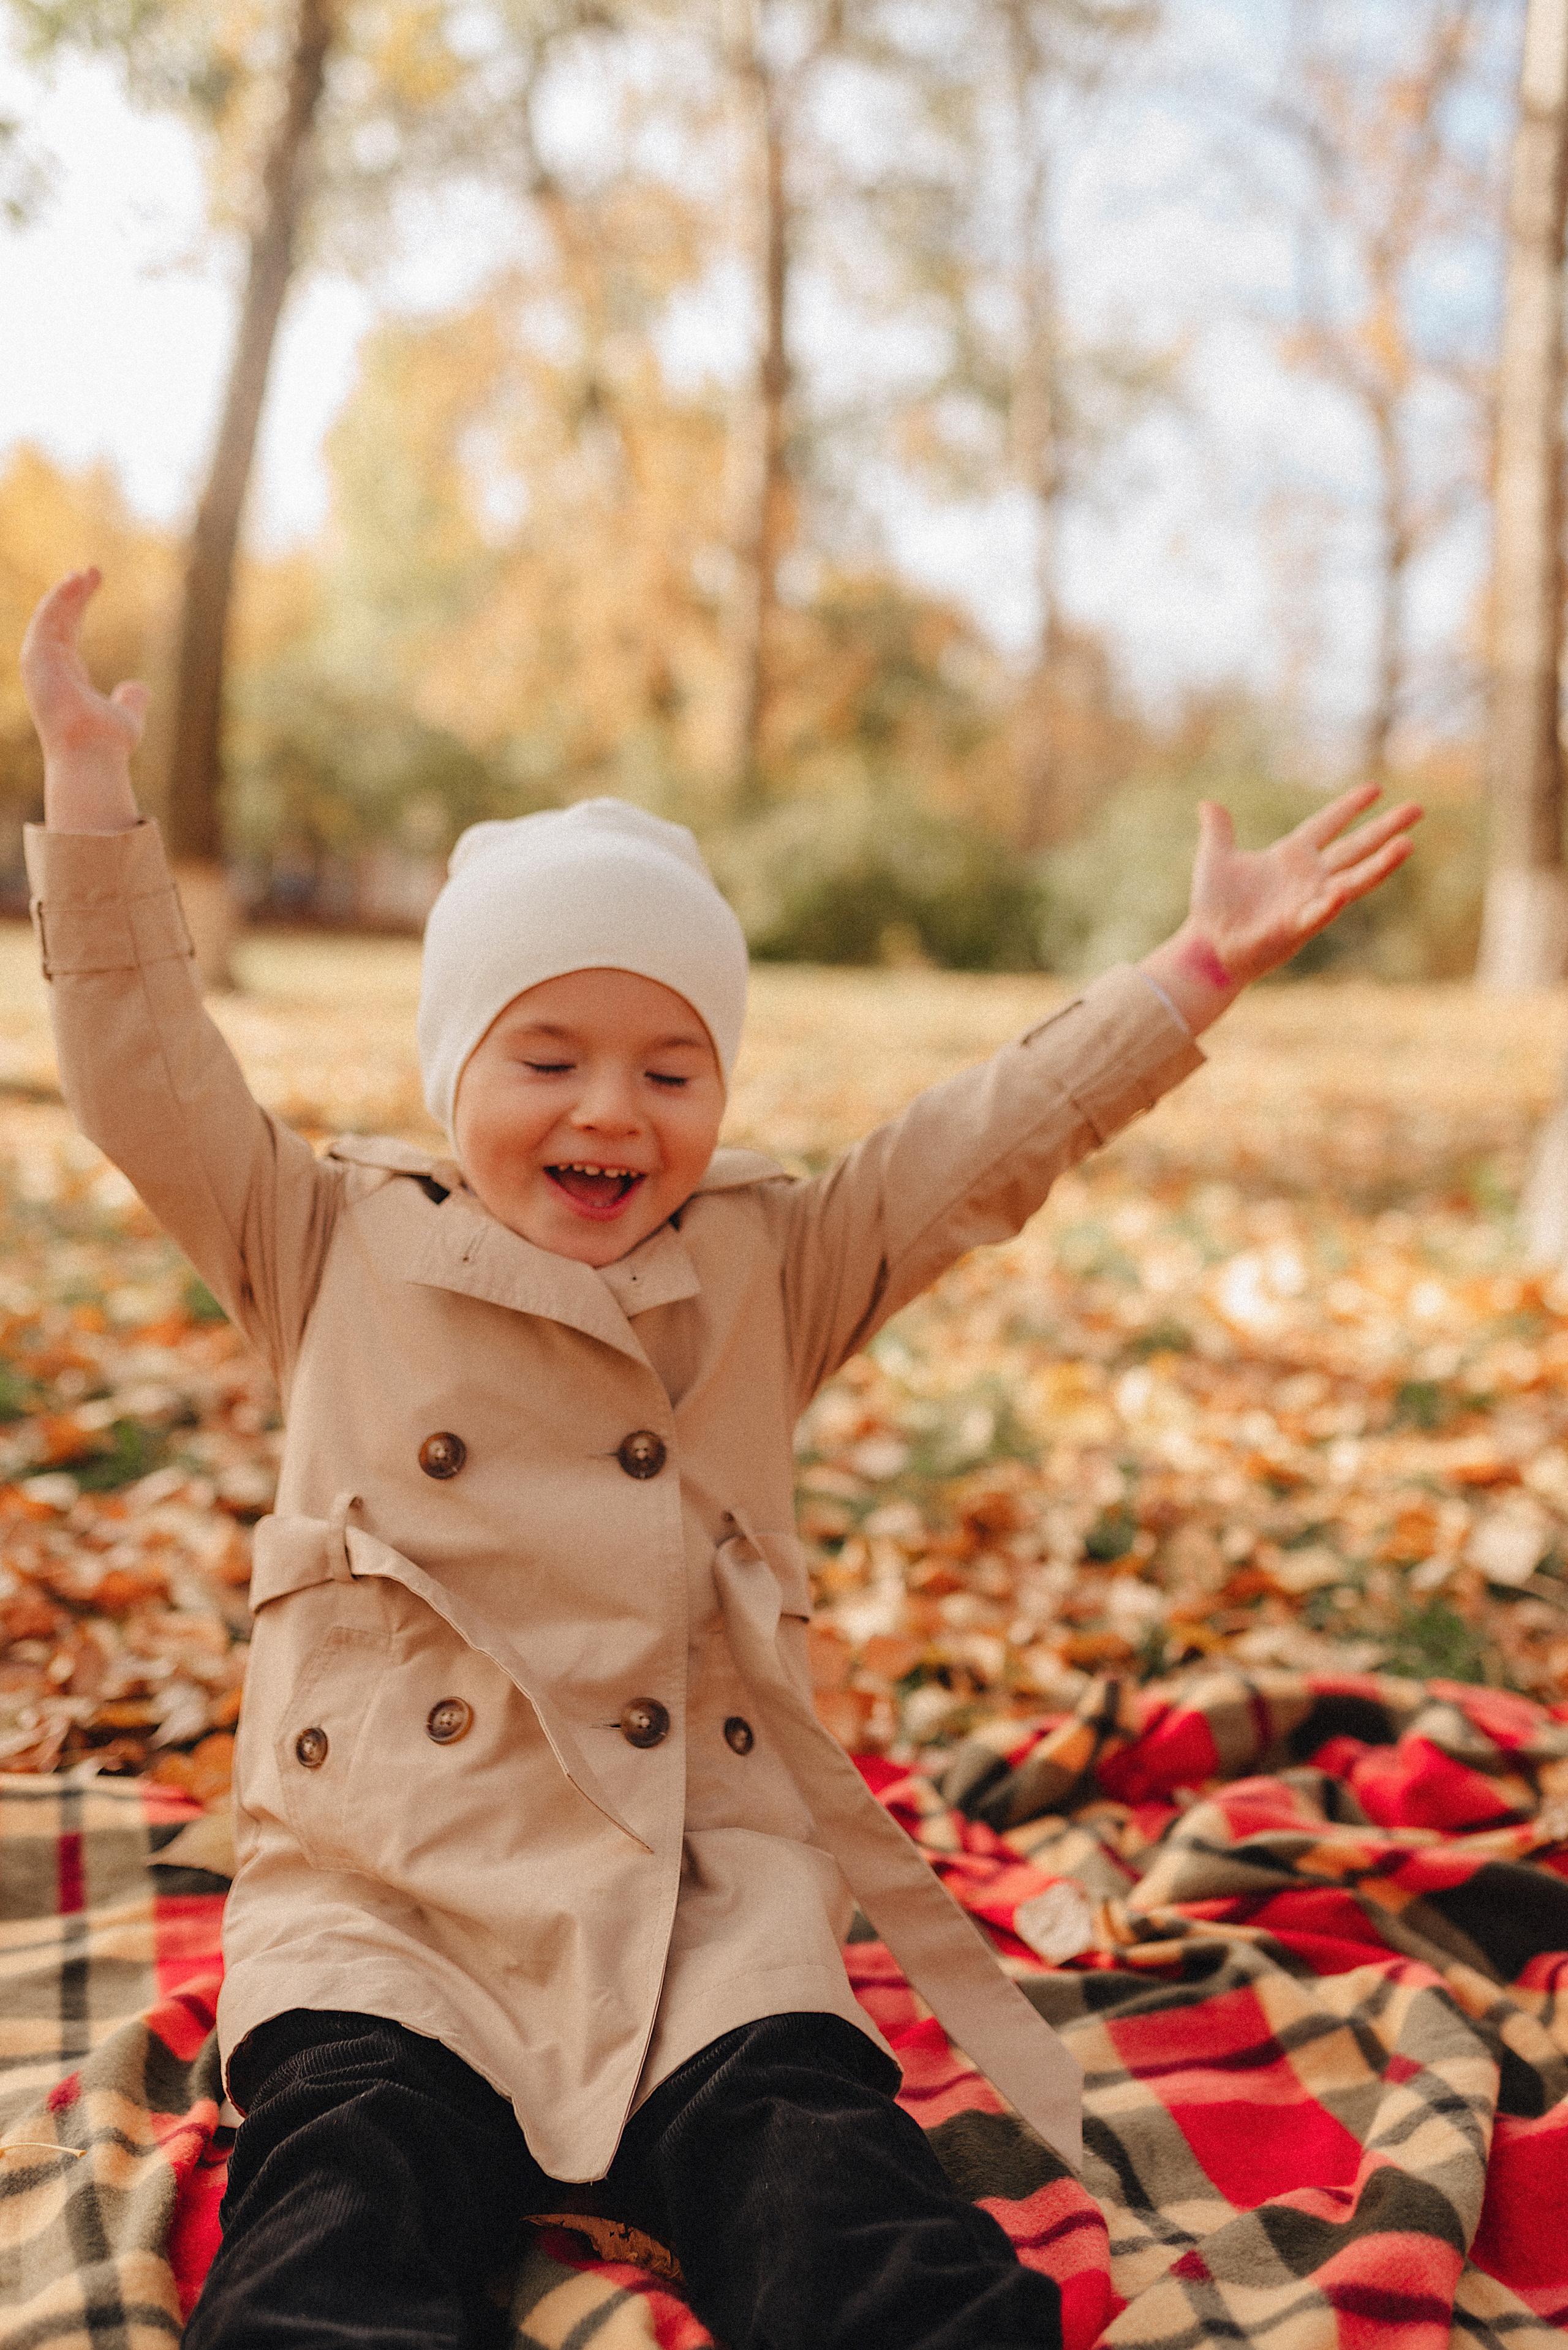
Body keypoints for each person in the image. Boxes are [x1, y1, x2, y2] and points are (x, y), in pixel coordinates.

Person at [19, 568, 1419, 2350]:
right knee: (351, 2179)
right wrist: (88, 789)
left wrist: (1192, 971)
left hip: (701, 1895)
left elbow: (970, 1148)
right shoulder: (319, 1239)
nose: (613, 1109)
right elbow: (146, 1072)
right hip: (390, 1884)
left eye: (674, 1068)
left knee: (824, 2174)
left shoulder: (766, 1265)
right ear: (453, 1070)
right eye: (548, 1054)